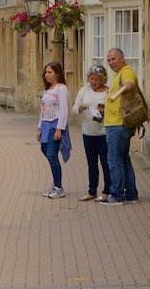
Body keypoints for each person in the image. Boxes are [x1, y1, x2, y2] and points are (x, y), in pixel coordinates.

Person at [101, 48, 139, 206]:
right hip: (115, 124)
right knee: (123, 159)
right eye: (109, 60)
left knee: (114, 160)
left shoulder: (126, 71)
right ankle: (131, 194)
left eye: (113, 59)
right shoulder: (118, 75)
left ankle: (116, 195)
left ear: (122, 58)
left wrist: (121, 91)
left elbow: (130, 84)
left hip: (117, 125)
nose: (111, 63)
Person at [73, 64, 112, 202]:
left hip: (103, 132)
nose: (93, 82)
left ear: (102, 79)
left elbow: (115, 110)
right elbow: (74, 108)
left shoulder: (108, 92)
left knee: (105, 163)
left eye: (96, 79)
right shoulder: (84, 90)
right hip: (88, 132)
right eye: (91, 79)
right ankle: (92, 191)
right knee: (91, 163)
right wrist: (80, 108)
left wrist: (104, 110)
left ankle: (107, 191)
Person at [37, 61, 71, 199]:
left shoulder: (61, 89)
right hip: (45, 123)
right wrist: (39, 127)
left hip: (55, 123)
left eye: (50, 72)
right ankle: (55, 183)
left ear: (57, 73)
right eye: (46, 72)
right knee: (45, 149)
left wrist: (59, 129)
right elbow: (43, 110)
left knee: (52, 154)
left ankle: (58, 187)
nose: (47, 75)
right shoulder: (47, 89)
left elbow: (63, 109)